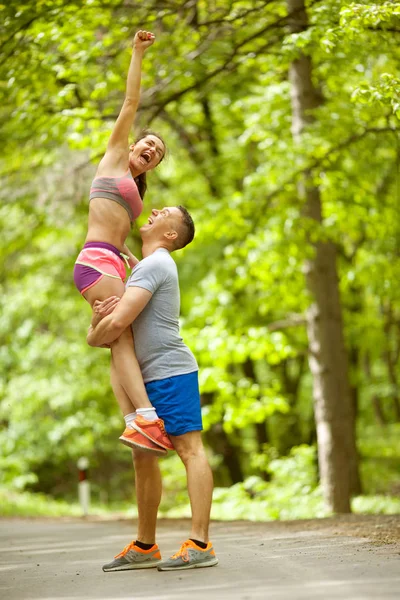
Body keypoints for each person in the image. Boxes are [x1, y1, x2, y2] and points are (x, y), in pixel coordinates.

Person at [87, 205, 218, 571]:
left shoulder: (156, 264)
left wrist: (94, 332)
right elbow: (106, 333)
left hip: (170, 373)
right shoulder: (142, 267)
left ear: (171, 234)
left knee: (190, 450)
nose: (155, 210)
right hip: (144, 378)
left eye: (164, 213)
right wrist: (96, 332)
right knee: (142, 455)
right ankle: (145, 545)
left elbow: (115, 325)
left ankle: (200, 544)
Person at [73, 29, 171, 453]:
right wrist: (138, 52)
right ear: (132, 145)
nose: (151, 149)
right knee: (121, 336)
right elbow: (131, 102)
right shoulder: (114, 156)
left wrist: (133, 259)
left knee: (118, 338)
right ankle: (145, 416)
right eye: (148, 142)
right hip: (94, 261)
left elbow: (119, 232)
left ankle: (135, 419)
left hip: (112, 261)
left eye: (158, 152)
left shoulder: (135, 191)